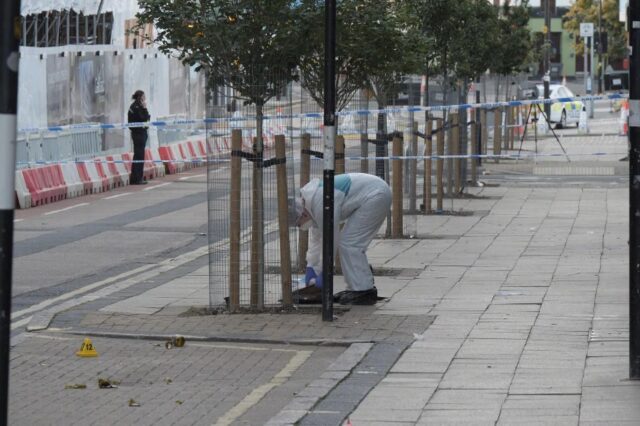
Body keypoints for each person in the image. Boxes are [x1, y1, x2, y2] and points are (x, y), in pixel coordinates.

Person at [294, 173, 391, 305]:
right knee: (350, 243)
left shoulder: (320, 202)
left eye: (298, 222)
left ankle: (363, 290)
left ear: (303, 214)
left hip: (376, 194)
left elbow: (330, 239)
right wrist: (311, 267)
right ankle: (358, 287)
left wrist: (324, 272)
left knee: (350, 243)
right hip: (374, 192)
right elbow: (316, 240)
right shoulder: (311, 203)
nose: (299, 225)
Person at [128, 90, 150, 185]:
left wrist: (145, 111)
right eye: (143, 97)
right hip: (138, 134)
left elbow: (148, 117)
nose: (145, 98)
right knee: (139, 156)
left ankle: (136, 177)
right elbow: (143, 118)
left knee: (138, 155)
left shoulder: (136, 106)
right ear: (140, 97)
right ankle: (137, 178)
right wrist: (145, 108)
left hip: (141, 133)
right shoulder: (136, 107)